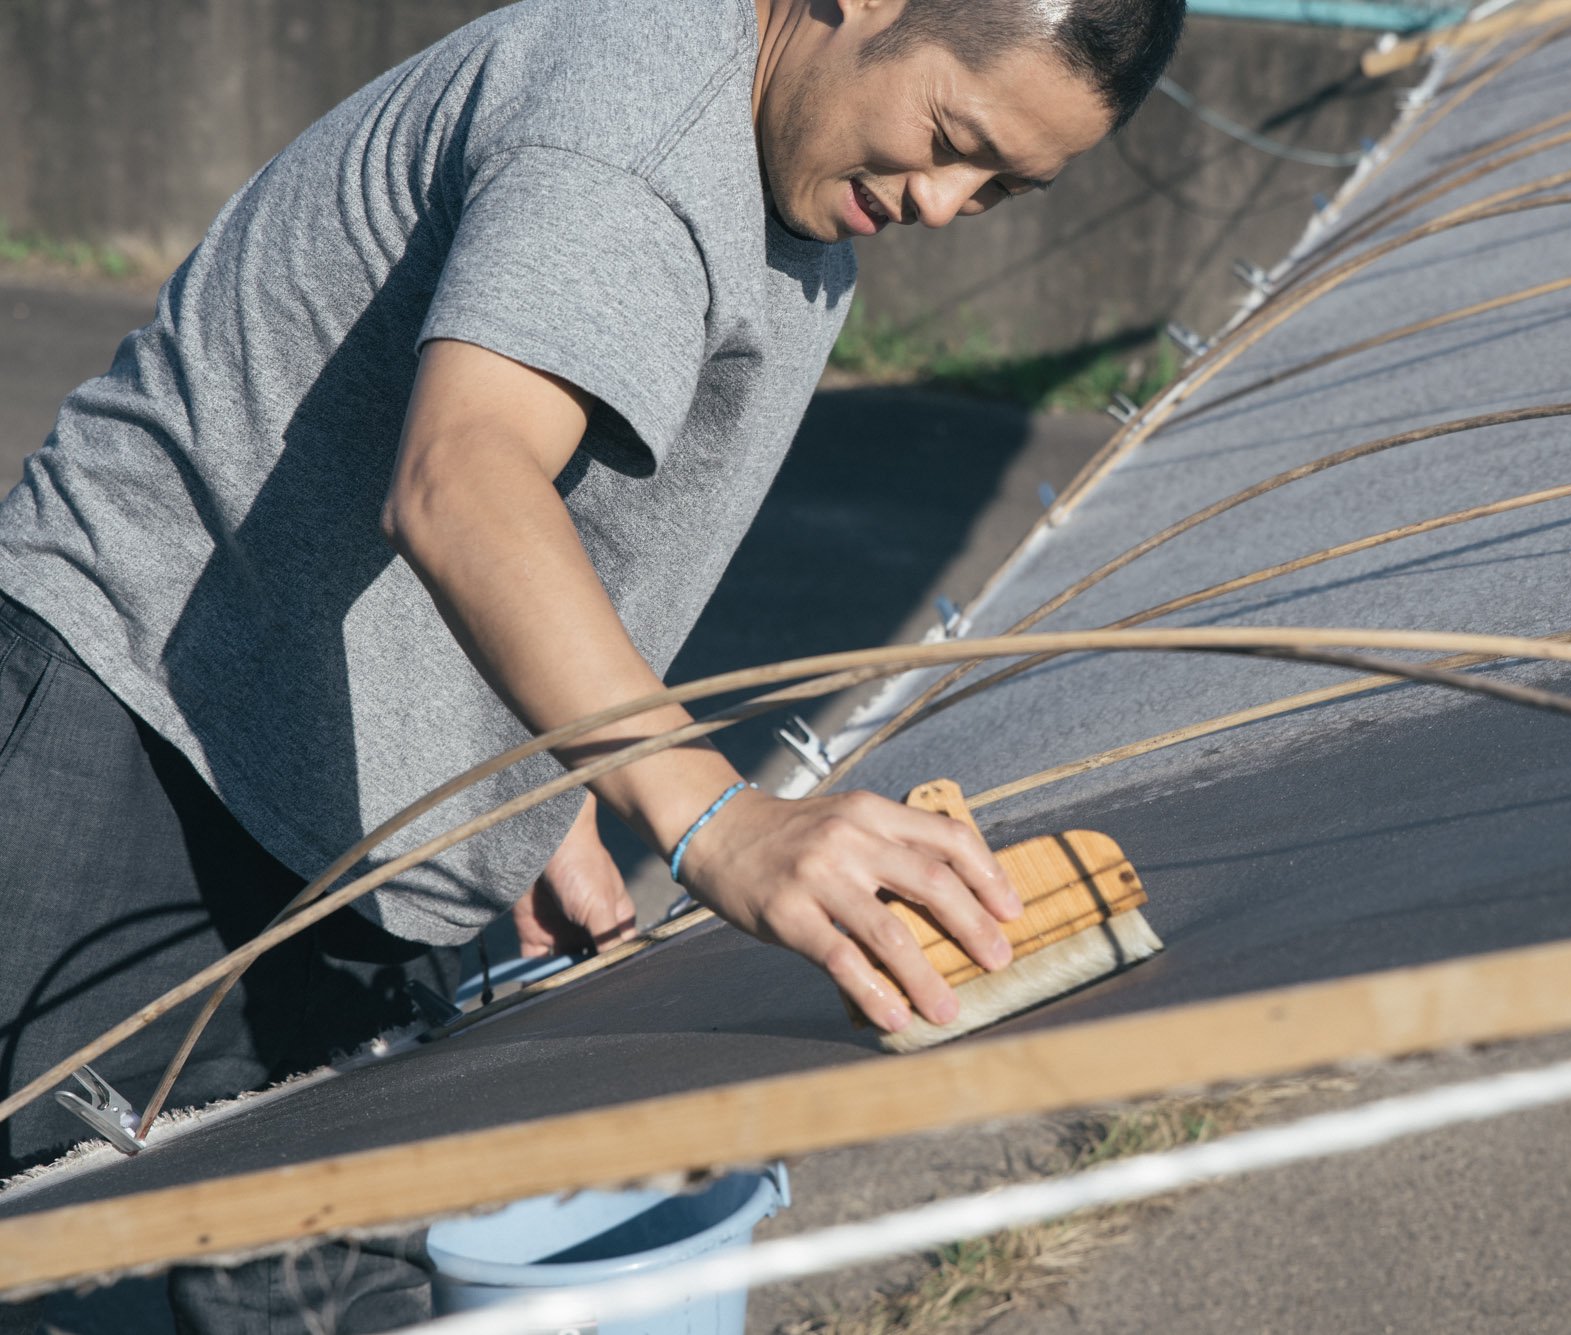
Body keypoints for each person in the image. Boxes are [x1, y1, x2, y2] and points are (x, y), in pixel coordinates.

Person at [0, 0, 1184, 1328]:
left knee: (317, 1293)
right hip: (140, 728)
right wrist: (714, 821)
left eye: (1006, 188)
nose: (945, 199)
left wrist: (530, 787)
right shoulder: (641, 126)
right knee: (65, 1267)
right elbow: (463, 479)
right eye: (951, 138)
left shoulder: (801, 179)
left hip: (344, 810)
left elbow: (549, 502)